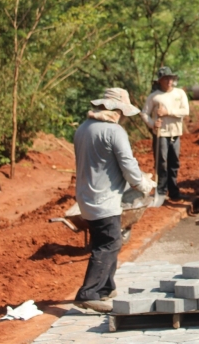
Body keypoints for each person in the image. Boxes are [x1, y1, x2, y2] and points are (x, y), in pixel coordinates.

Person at [73, 87, 154, 312]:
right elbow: (127, 164)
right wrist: (143, 184)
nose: (123, 117)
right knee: (110, 242)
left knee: (105, 239)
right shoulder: (113, 131)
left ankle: (106, 287)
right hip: (104, 198)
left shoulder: (83, 128)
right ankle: (88, 293)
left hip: (86, 195)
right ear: (115, 109)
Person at [141, 66, 190, 206]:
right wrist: (152, 124)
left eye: (171, 78)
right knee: (161, 162)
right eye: (166, 79)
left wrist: (168, 112)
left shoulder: (179, 93)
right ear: (160, 81)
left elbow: (185, 111)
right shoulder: (154, 96)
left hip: (175, 133)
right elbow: (144, 113)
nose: (169, 81)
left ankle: (173, 191)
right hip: (161, 134)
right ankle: (161, 192)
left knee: (174, 162)